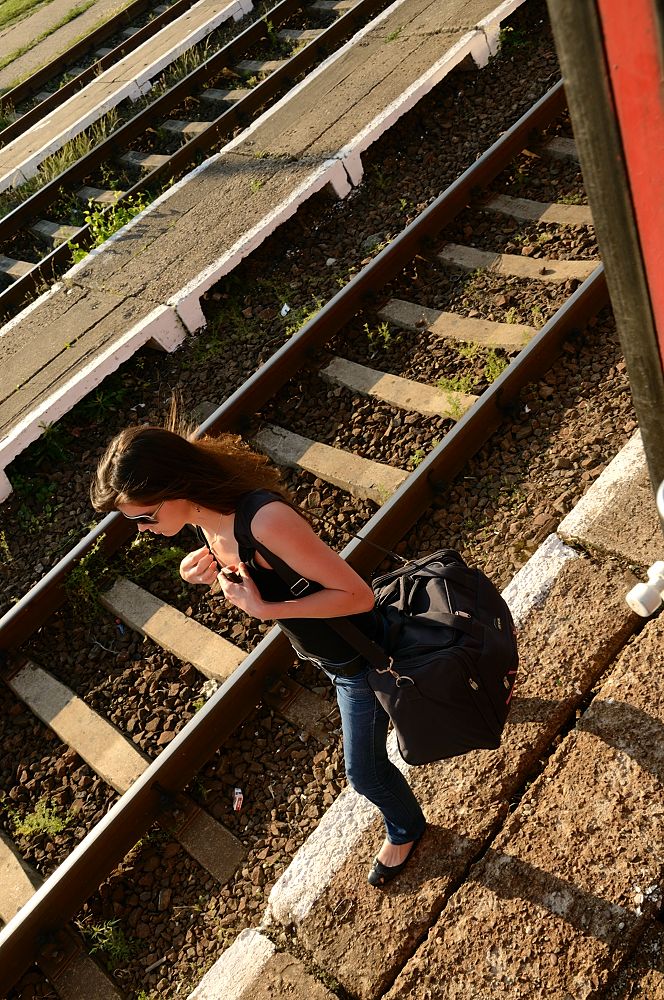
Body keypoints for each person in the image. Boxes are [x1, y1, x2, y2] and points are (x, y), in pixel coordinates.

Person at [91, 418, 426, 887]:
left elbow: (357, 596)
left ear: (176, 487)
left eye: (143, 516)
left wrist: (267, 608)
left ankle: (408, 827)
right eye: (132, 521)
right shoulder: (206, 518)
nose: (141, 529)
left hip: (360, 657)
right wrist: (209, 571)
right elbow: (258, 572)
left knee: (365, 773)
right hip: (331, 656)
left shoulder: (264, 520)